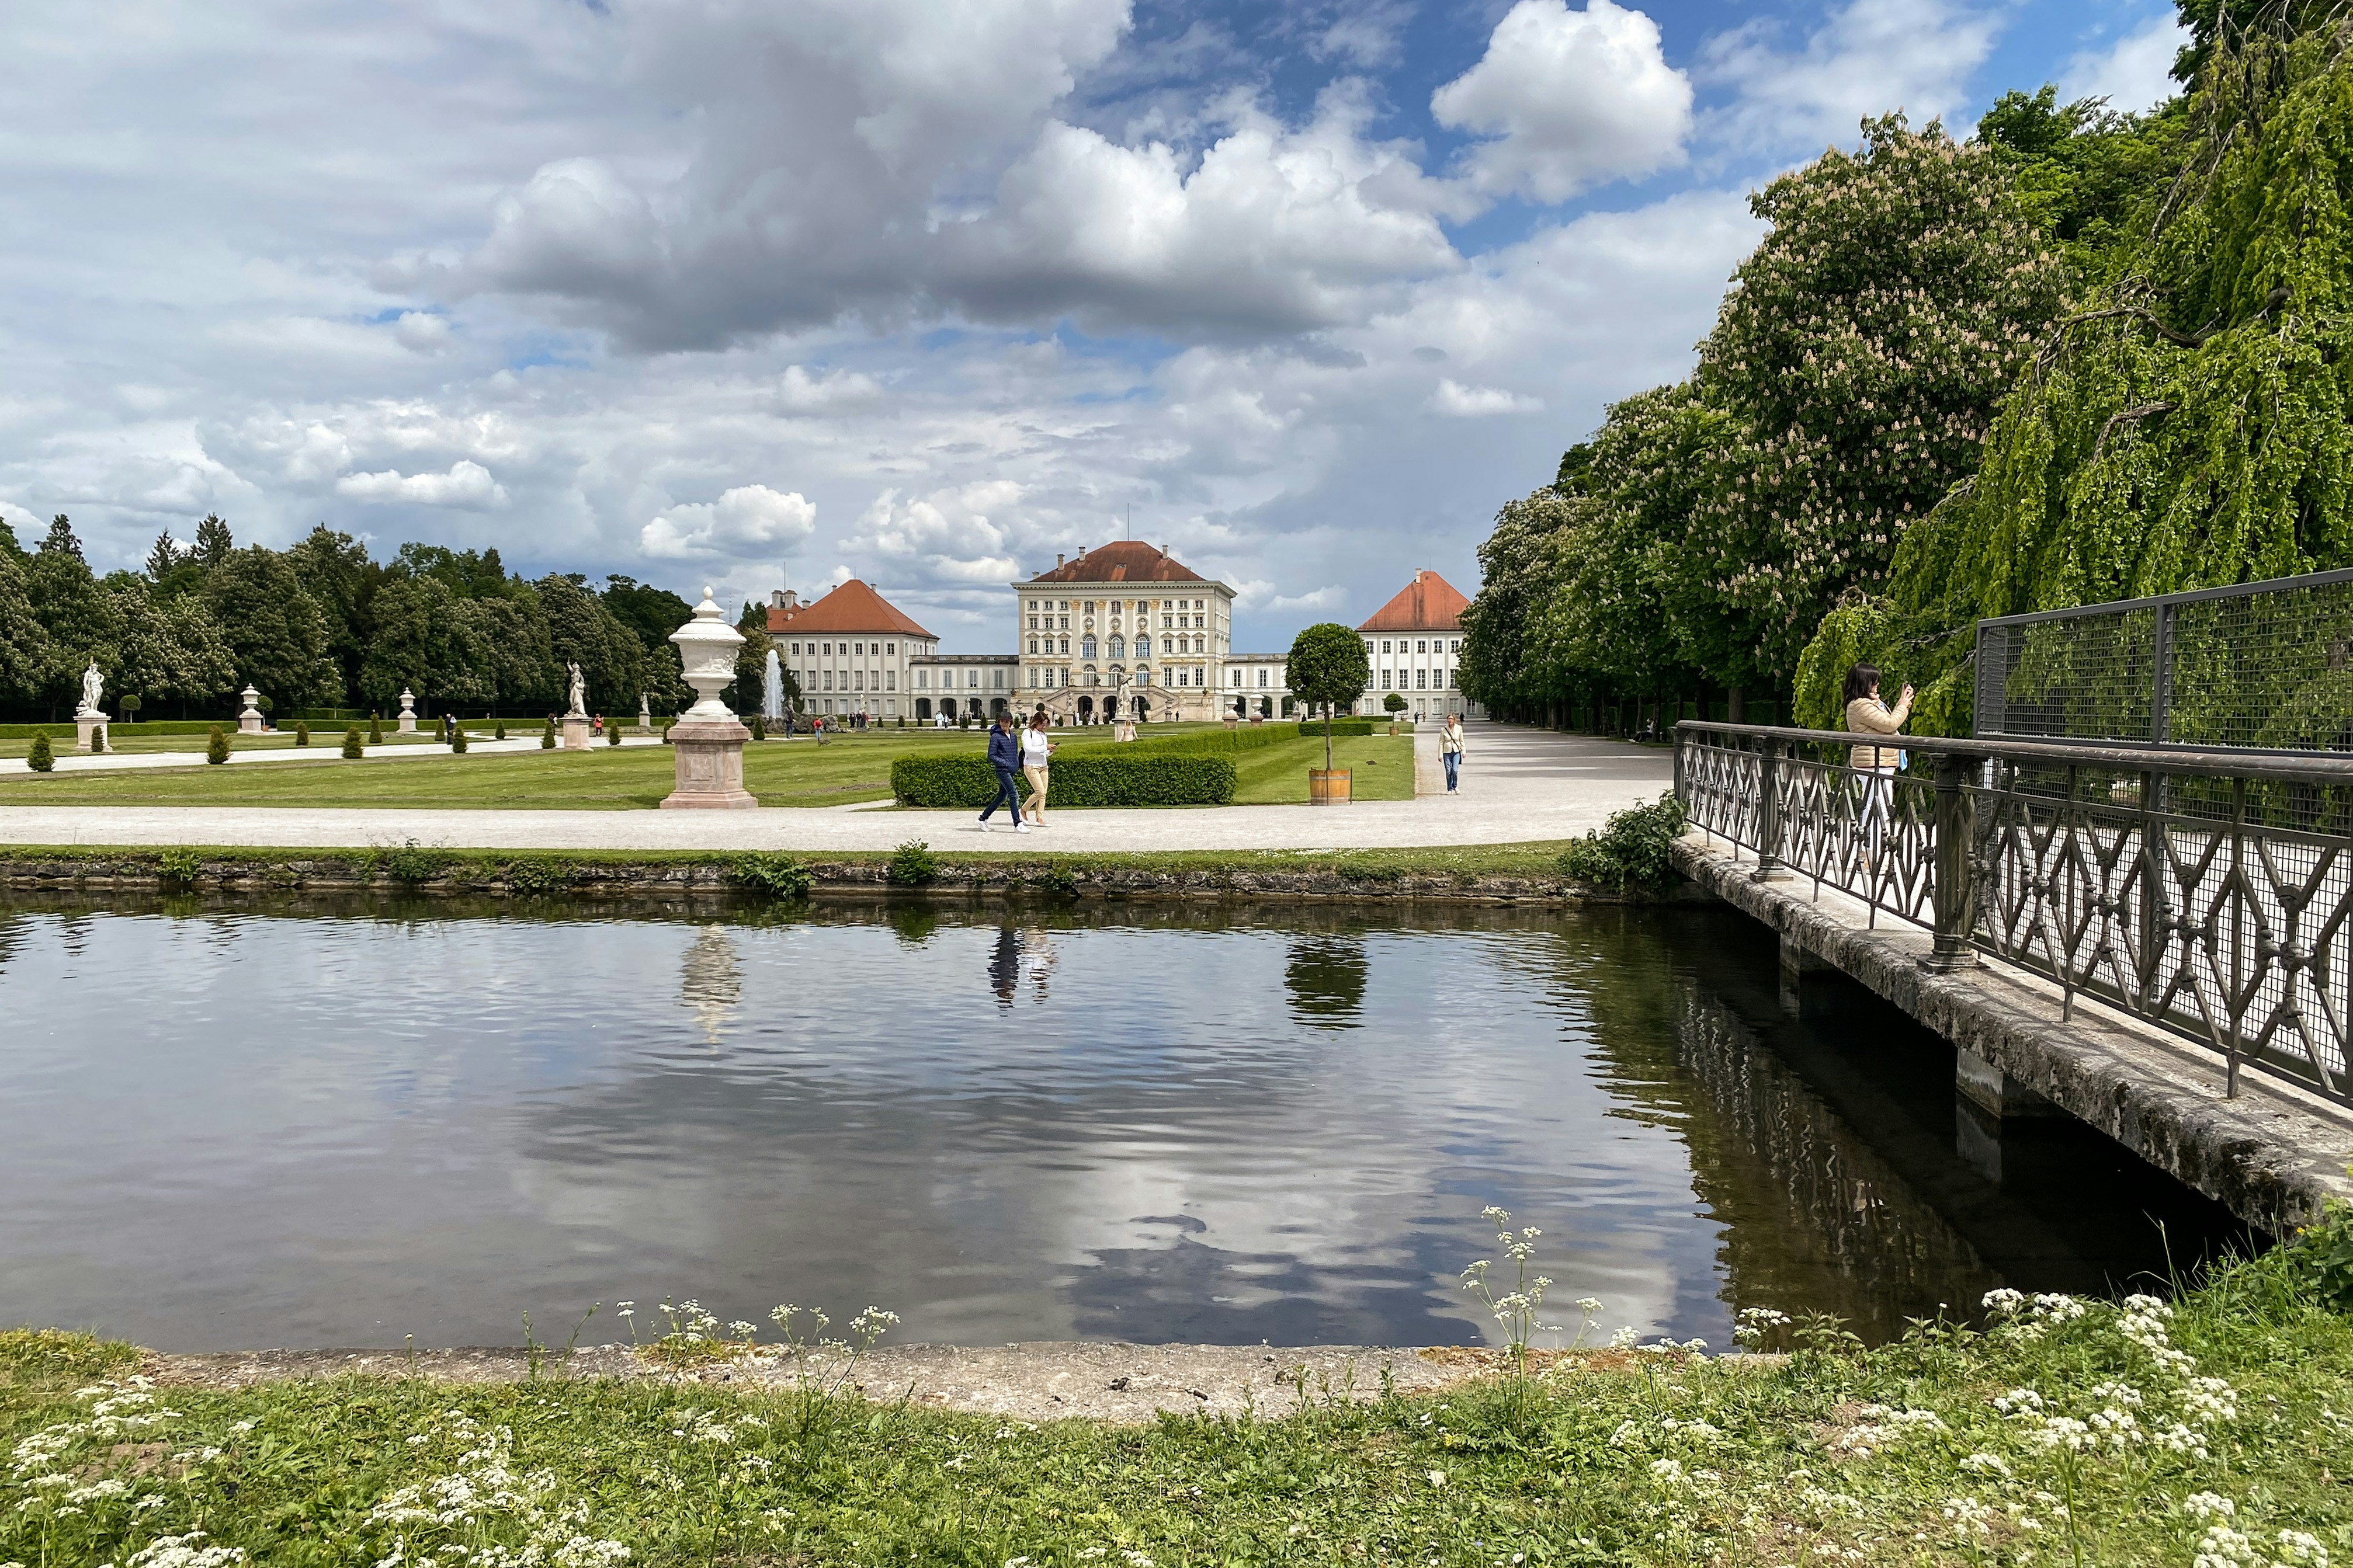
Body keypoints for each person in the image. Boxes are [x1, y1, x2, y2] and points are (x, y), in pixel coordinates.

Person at [1842, 662, 1914, 867]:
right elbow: (1890, 724)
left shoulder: (1866, 703)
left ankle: (1866, 853)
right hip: (1873, 763)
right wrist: (1903, 705)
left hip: (1878, 762)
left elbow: (1885, 723)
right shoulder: (1860, 705)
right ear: (1865, 683)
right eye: (1874, 682)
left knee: (1872, 807)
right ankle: (1872, 855)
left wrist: (1888, 703)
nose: (1877, 685)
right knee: (1879, 808)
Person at [979, 709, 1026, 832]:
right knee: (1014, 794)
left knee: (1001, 797)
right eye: (1002, 721)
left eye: (1007, 722)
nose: (1004, 724)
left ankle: (982, 819)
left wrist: (1017, 764)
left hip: (1011, 770)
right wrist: (1005, 764)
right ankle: (1017, 824)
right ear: (999, 722)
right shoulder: (996, 737)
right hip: (1002, 770)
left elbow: (1014, 753)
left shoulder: (1014, 736)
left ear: (1010, 723)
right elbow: (991, 756)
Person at [1020, 710, 1056, 826]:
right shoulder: (1028, 732)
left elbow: (1043, 753)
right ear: (1036, 722)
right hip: (1031, 766)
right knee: (1039, 791)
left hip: (1044, 766)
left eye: (1045, 724)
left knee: (1043, 793)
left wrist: (1049, 751)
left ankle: (1039, 818)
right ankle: (1023, 810)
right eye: (1042, 724)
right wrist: (1045, 747)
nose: (1044, 727)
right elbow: (1028, 749)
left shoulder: (1043, 735)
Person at [1441, 712, 1465, 793]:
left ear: (1454, 720)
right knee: (1448, 771)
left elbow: (1462, 740)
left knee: (1455, 770)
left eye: (1451, 719)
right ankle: (1449, 788)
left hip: (1456, 751)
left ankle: (1455, 786)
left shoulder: (1459, 728)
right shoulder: (1444, 729)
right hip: (1446, 752)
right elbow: (1441, 743)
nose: (1450, 720)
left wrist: (1463, 751)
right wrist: (1440, 755)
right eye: (1449, 719)